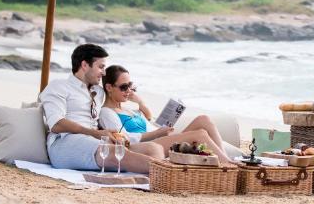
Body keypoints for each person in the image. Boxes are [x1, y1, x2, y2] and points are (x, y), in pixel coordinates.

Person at [39, 44, 162, 174]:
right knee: (113, 152)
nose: (104, 73)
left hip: (94, 142)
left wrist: (110, 133)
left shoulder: (98, 92)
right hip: (64, 143)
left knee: (152, 148)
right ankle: (166, 173)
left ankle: (158, 176)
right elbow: (56, 124)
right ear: (84, 65)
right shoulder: (59, 86)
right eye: (101, 67)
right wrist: (94, 133)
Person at [98, 64, 235, 165]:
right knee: (200, 134)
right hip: (148, 147)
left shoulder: (127, 109)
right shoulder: (106, 112)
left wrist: (140, 102)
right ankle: (228, 166)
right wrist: (157, 133)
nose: (128, 90)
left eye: (130, 85)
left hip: (161, 138)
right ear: (109, 87)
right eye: (124, 87)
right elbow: (124, 139)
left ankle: (226, 160)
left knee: (203, 120)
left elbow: (148, 120)